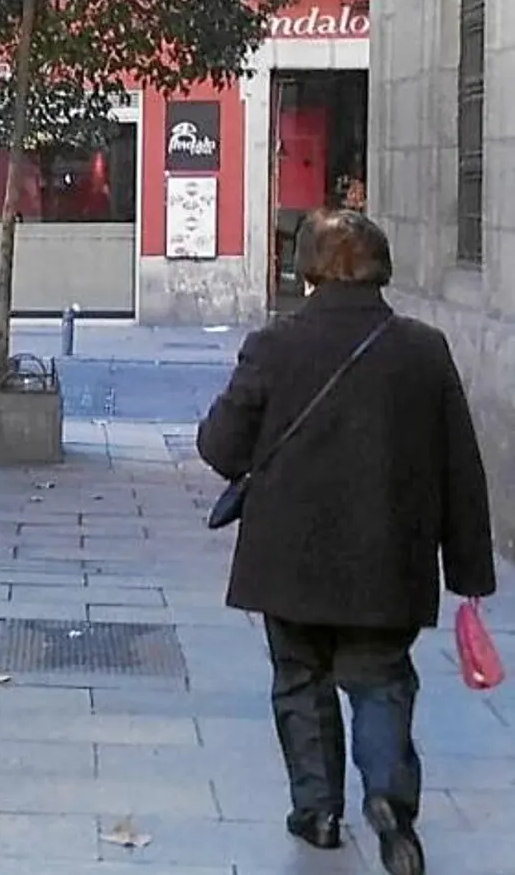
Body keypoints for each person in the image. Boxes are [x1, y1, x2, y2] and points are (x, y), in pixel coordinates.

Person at [196, 209, 496, 875]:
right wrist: (470, 569)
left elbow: (221, 446)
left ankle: (318, 809)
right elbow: (460, 467)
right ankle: (389, 801)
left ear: (309, 268)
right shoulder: (423, 348)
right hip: (389, 563)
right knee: (382, 681)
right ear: (380, 268)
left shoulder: (275, 344)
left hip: (289, 560)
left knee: (299, 680)